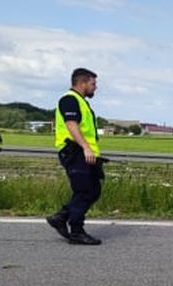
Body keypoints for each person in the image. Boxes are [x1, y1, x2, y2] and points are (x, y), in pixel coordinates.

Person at [46, 68, 104, 245]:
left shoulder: (81, 101)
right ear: (83, 83)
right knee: (84, 190)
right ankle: (77, 231)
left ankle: (61, 216)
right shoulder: (69, 99)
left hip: (85, 152)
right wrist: (86, 148)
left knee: (94, 189)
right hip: (75, 151)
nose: (96, 87)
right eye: (93, 84)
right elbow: (72, 125)